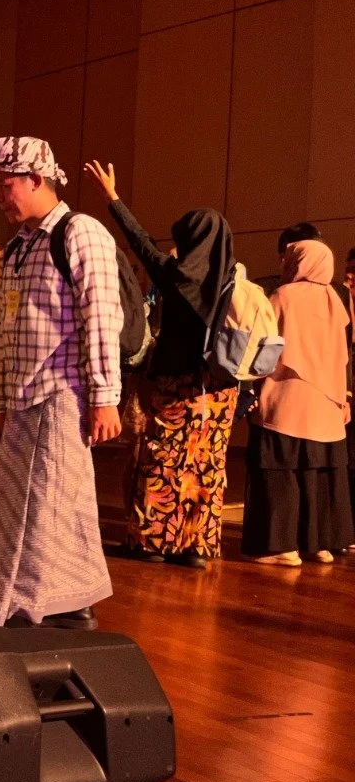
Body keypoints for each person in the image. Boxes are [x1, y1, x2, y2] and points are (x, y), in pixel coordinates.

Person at [0, 136, 122, 630]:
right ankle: (29, 602)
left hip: (62, 395)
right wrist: (4, 401)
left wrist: (104, 397)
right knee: (18, 510)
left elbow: (101, 317)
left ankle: (68, 604)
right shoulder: (17, 249)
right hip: (25, 401)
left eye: (5, 185)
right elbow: (6, 332)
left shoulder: (81, 233)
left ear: (36, 179)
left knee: (56, 505)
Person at [83, 161, 239, 569]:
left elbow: (141, 244)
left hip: (176, 382)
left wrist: (113, 199)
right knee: (206, 465)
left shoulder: (177, 277)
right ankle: (195, 547)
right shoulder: (231, 281)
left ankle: (153, 541)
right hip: (220, 389)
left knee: (164, 460)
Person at [242, 240, 353, 566]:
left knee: (281, 474)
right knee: (318, 478)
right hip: (327, 407)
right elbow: (343, 357)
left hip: (286, 401)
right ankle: (318, 545)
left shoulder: (282, 296)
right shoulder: (337, 301)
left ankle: (281, 548)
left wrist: (250, 386)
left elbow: (266, 349)